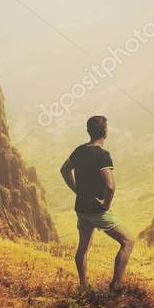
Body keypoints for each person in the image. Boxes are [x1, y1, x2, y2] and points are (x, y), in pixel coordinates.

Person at [60, 115, 134, 293]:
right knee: (128, 241)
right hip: (97, 211)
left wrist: (76, 190)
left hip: (82, 209)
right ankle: (116, 285)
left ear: (89, 131)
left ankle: (83, 285)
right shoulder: (103, 155)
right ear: (105, 131)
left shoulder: (79, 151)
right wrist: (106, 205)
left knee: (83, 249)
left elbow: (64, 169)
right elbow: (110, 185)